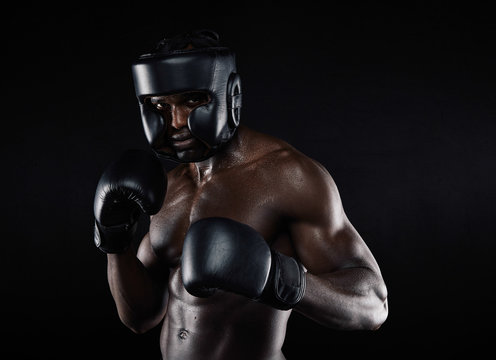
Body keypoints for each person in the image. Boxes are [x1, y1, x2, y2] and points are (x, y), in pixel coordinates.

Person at [93, 29, 388, 360]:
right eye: (160, 105)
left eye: (192, 101)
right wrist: (115, 245)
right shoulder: (169, 185)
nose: (175, 122)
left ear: (228, 95)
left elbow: (372, 306)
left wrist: (277, 278)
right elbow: (140, 318)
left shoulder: (287, 177)